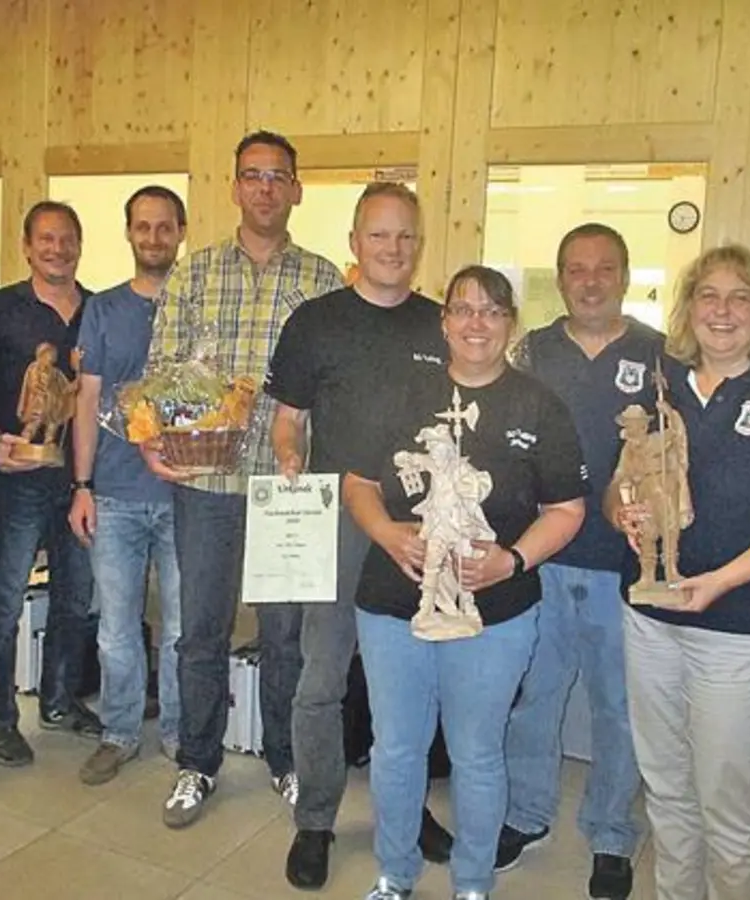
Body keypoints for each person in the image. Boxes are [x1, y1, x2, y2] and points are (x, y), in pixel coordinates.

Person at [604, 244, 750, 900]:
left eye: (741, 296)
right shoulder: (662, 384)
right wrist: (623, 512)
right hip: (651, 619)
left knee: (726, 801)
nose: (723, 310)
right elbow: (620, 481)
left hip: (743, 630)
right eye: (708, 295)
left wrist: (723, 580)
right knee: (667, 787)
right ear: (688, 308)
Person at [347, 265, 588, 900]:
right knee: (396, 748)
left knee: (478, 752)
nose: (476, 323)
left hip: (496, 613)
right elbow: (360, 483)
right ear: (444, 321)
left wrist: (511, 560)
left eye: (491, 310)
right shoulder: (399, 393)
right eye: (462, 309)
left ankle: (473, 884)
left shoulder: (539, 405)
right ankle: (395, 876)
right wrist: (389, 534)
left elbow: (567, 510)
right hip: (393, 605)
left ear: (510, 323)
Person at [141, 131, 346, 828]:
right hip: (206, 487)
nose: (264, 188)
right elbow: (161, 373)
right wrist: (153, 440)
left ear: (296, 189)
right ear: (234, 186)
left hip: (291, 488)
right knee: (199, 631)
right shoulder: (193, 275)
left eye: (277, 177)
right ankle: (197, 764)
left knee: (287, 635)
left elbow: (337, 387)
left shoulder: (323, 281)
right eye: (252, 175)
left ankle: (285, 759)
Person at [264, 182, 453, 889]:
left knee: (408, 684)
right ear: (354, 242)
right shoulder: (314, 323)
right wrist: (289, 454)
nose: (393, 249)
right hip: (337, 524)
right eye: (379, 236)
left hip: (419, 528)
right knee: (322, 679)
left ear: (419, 244)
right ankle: (315, 820)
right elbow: (289, 418)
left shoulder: (441, 325)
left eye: (405, 237)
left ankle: (405, 812)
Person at [499, 223, 655, 900]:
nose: (590, 281)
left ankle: (612, 834)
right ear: (559, 279)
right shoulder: (530, 351)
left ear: (624, 275)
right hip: (544, 559)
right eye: (576, 269)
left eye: (604, 268)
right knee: (534, 697)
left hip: (624, 564)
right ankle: (526, 814)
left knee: (619, 706)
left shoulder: (661, 354)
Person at [0, 201, 100, 771]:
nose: (57, 249)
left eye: (67, 239)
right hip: (19, 479)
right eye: (46, 239)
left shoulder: (97, 310)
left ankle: (59, 700)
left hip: (81, 482)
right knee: (3, 600)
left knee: (75, 598)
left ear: (80, 245)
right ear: (27, 246)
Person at [68, 185, 188, 784]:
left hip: (186, 496)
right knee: (116, 630)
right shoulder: (104, 309)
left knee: (182, 630)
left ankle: (177, 733)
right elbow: (87, 399)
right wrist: (81, 485)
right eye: (142, 227)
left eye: (164, 227)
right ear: (129, 233)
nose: (153, 238)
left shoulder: (195, 305)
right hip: (113, 494)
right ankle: (118, 732)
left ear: (181, 231)